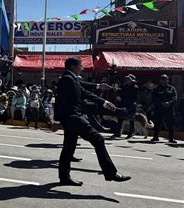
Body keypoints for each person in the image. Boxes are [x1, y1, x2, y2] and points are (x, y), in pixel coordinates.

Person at [55, 57, 131, 186]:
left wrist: (104, 102)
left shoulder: (71, 78)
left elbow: (84, 92)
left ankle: (64, 177)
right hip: (73, 117)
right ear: (74, 66)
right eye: (80, 65)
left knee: (68, 148)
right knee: (98, 139)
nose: (82, 68)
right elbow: (59, 100)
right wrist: (55, 121)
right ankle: (111, 173)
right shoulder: (67, 79)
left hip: (71, 118)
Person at [151, 74, 177, 144]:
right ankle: (155, 137)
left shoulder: (172, 88)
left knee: (170, 123)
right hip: (159, 108)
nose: (163, 81)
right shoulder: (156, 89)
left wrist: (169, 103)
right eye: (162, 79)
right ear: (160, 80)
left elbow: (174, 98)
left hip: (169, 109)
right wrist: (161, 103)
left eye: (165, 79)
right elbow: (154, 98)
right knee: (157, 123)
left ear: (167, 80)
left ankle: (171, 138)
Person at [116, 74, 139, 138]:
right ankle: (118, 133)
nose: (126, 80)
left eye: (128, 79)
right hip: (123, 104)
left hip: (131, 105)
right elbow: (121, 91)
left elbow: (133, 96)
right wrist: (117, 90)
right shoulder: (125, 86)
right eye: (126, 79)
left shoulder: (135, 87)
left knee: (131, 119)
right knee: (120, 118)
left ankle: (130, 133)